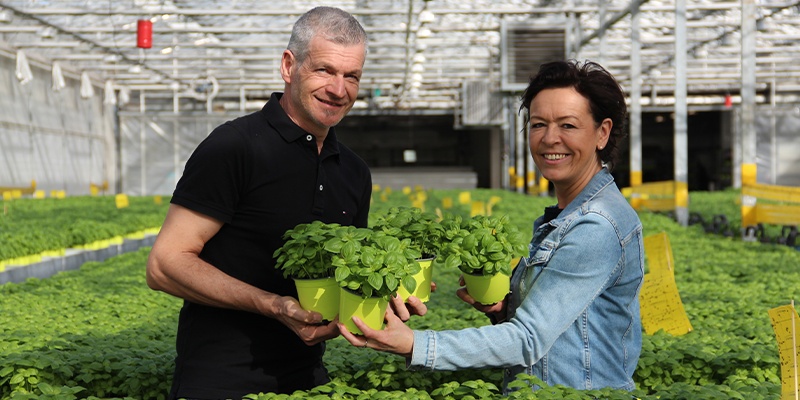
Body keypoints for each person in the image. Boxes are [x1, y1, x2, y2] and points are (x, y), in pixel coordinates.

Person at [339, 60, 645, 394]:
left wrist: (415, 344)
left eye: (568, 125)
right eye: (538, 124)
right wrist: (505, 311)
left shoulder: (596, 225)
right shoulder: (565, 216)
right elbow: (562, 330)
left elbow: (528, 339)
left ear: (602, 132)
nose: (549, 138)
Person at [146, 7, 375, 399]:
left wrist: (385, 293)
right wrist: (274, 305)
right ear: (289, 66)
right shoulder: (234, 147)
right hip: (218, 382)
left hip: (307, 380)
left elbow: (345, 276)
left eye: (351, 76)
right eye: (324, 70)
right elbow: (164, 265)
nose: (339, 90)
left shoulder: (353, 172)